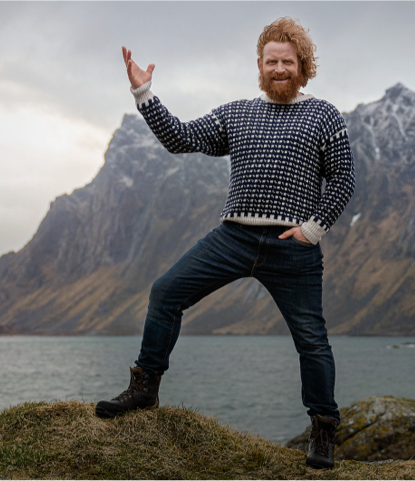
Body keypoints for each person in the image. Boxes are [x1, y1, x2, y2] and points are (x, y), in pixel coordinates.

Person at [96, 17, 354, 470]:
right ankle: (144, 389)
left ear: (303, 65)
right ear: (260, 64)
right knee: (165, 292)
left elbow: (343, 180)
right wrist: (144, 93)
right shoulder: (236, 113)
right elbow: (180, 138)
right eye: (271, 61)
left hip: (293, 246)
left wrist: (313, 229)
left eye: (287, 61)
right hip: (233, 237)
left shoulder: (324, 115)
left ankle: (323, 430)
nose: (278, 68)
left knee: (312, 341)